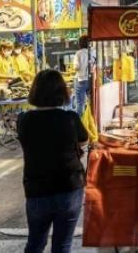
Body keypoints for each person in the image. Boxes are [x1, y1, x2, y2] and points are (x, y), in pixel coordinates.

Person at [17, 69, 88, 253]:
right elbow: (83, 140)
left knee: (35, 244)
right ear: (62, 92)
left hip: (37, 190)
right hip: (69, 188)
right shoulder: (70, 118)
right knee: (62, 245)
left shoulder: (23, 120)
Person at [72, 35, 91, 117]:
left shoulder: (78, 53)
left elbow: (76, 67)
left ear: (80, 43)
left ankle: (80, 122)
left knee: (80, 102)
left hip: (81, 80)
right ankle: (90, 119)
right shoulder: (93, 51)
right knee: (91, 101)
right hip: (91, 79)